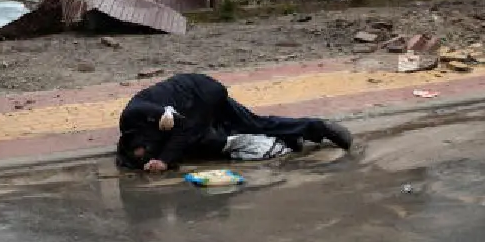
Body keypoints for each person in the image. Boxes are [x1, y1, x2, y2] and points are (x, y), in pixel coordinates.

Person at [116, 72, 353, 172]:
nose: (145, 154)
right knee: (255, 123)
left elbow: (181, 127)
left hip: (202, 93)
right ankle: (312, 129)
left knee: (202, 141)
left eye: (143, 152)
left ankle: (295, 137)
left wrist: (165, 161)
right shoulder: (138, 136)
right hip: (201, 94)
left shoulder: (135, 113)